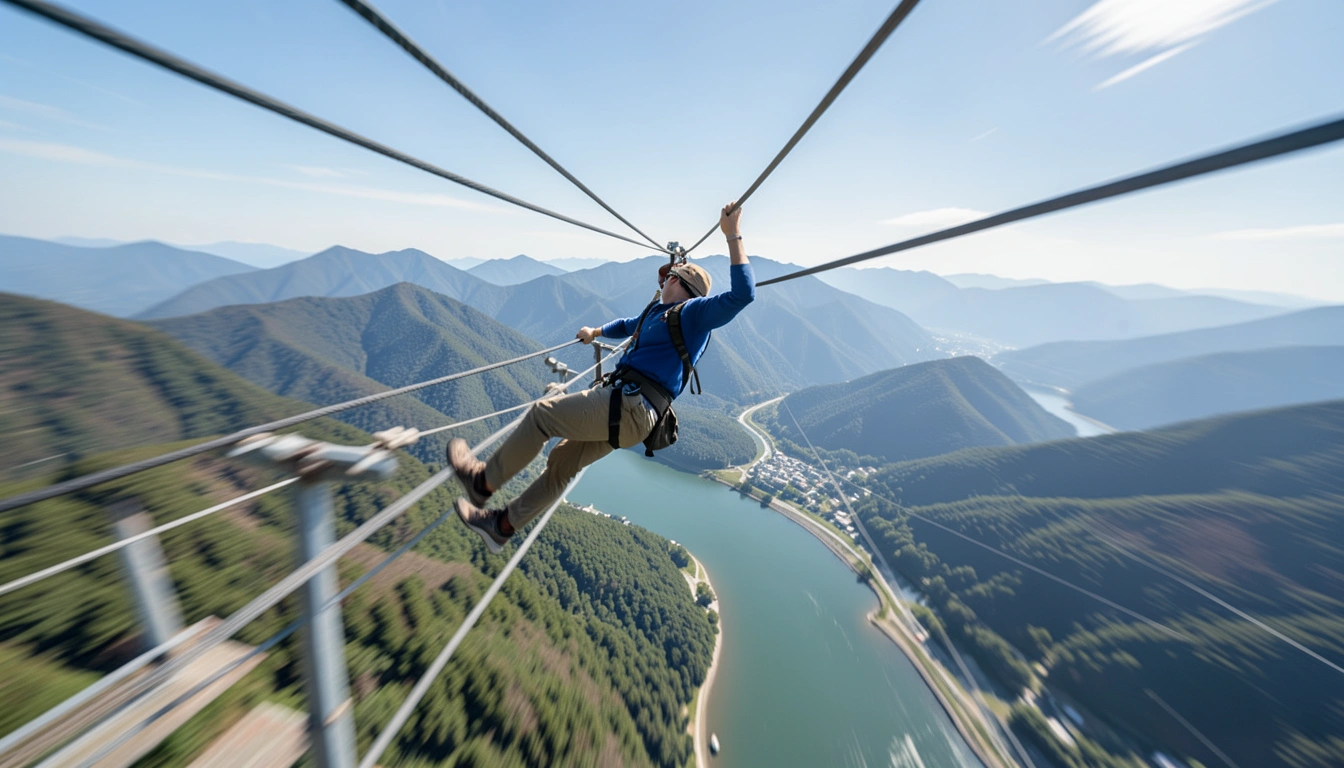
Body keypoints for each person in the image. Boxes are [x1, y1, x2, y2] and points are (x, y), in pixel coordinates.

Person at [449, 202, 756, 552]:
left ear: (677, 280)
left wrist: (733, 234)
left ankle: (482, 483)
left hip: (630, 407)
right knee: (561, 465)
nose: (660, 282)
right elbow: (629, 325)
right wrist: (596, 331)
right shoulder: (660, 313)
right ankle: (501, 527)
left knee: (541, 416)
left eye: (666, 277)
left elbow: (743, 295)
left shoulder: (694, 314)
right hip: (632, 414)